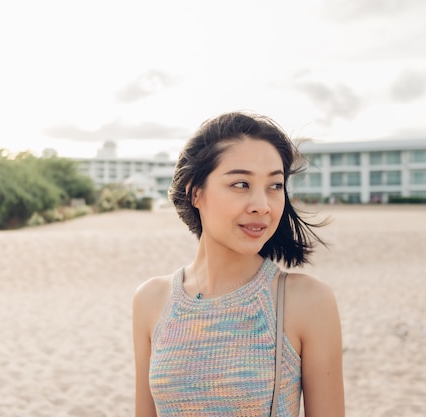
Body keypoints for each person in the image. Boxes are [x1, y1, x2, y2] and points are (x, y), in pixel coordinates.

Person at [132, 112, 344, 417]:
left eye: (274, 185)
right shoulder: (152, 300)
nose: (262, 204)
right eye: (241, 184)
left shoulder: (307, 301)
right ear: (195, 192)